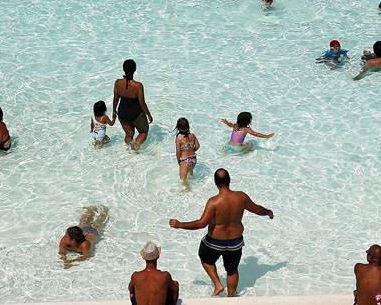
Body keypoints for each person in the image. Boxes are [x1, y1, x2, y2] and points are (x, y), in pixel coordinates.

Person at [168, 168, 274, 297]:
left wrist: (180, 225)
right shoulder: (241, 197)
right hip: (235, 242)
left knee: (206, 260)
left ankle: (218, 285)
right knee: (232, 270)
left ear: (215, 182)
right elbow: (257, 209)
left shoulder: (214, 202)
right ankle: (231, 295)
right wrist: (268, 212)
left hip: (215, 242)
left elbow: (201, 223)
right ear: (229, 180)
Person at [113, 59, 154, 150]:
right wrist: (149, 115)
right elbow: (142, 103)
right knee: (143, 132)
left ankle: (129, 146)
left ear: (123, 69)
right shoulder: (138, 86)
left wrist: (114, 111)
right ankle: (135, 147)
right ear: (134, 70)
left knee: (129, 134)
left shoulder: (117, 83)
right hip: (136, 114)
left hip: (122, 112)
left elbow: (116, 99)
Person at [174, 118, 199, 190]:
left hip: (185, 161)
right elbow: (197, 146)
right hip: (193, 159)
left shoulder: (178, 139)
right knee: (190, 175)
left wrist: (179, 161)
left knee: (183, 180)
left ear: (178, 128)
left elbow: (178, 152)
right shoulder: (192, 135)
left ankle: (188, 191)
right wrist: (192, 151)